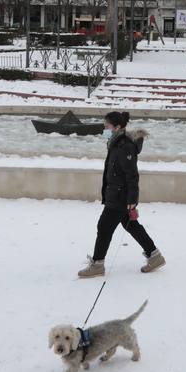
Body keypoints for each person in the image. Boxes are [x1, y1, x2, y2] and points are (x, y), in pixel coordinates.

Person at [78, 110, 165, 278]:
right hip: (116, 193)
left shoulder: (124, 146)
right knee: (130, 225)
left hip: (120, 196)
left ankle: (97, 265)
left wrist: (132, 200)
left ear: (117, 127)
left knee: (104, 227)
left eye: (107, 126)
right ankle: (155, 256)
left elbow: (132, 175)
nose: (104, 129)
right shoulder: (115, 143)